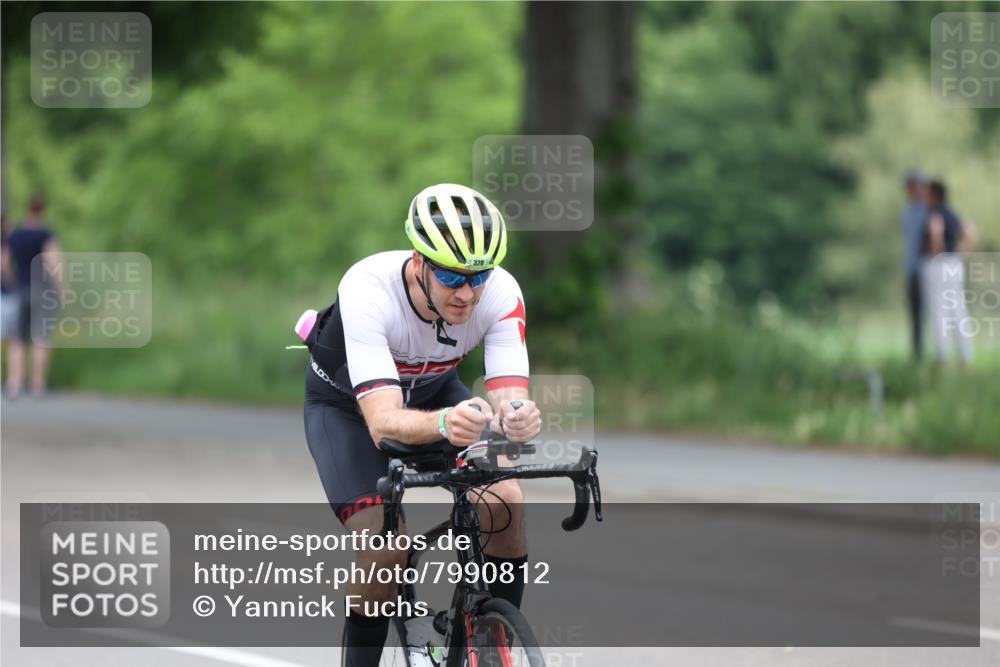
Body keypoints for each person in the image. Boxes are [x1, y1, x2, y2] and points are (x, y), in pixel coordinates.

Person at [299, 183, 542, 666]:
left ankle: (490, 648)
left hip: (434, 394)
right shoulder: (368, 289)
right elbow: (383, 422)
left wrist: (517, 418)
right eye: (452, 277)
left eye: (478, 276)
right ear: (418, 263)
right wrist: (449, 422)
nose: (467, 293)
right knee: (383, 546)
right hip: (347, 410)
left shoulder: (501, 293)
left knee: (506, 501)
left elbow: (508, 396)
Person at [5, 195, 61, 398]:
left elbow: (4, 262)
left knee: (18, 339)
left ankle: (14, 384)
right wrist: (61, 289)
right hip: (41, 291)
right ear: (42, 210)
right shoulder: (45, 234)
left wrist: (12, 282)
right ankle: (37, 385)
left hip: (20, 290)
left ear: (27, 209)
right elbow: (52, 261)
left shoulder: (16, 235)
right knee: (41, 338)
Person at [921, 180, 974, 365]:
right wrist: (962, 252)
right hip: (954, 263)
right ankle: (965, 356)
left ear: (935, 194)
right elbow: (970, 230)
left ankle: (942, 356)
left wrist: (937, 250)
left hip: (938, 264)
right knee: (958, 309)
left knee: (939, 310)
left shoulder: (934, 213)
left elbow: (936, 230)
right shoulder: (953, 214)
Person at [901, 170, 929, 360]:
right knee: (916, 317)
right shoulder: (906, 214)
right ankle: (918, 355)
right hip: (912, 269)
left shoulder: (930, 212)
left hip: (929, 269)